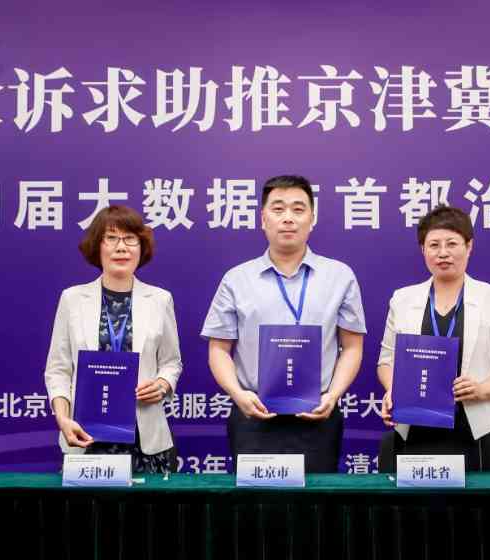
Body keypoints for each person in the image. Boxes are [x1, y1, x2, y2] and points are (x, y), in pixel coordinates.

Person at [201, 175, 366, 472]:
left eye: (298, 209)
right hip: (254, 415)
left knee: (318, 500)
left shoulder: (340, 276)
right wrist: (239, 395)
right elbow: (218, 350)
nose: (288, 218)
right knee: (255, 500)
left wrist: (333, 395)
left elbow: (352, 347)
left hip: (317, 416)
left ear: (312, 219)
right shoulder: (237, 279)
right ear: (263, 219)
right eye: (278, 209)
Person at [377, 205, 490, 471]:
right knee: (414, 498)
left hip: (475, 428)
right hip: (415, 426)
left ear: (469, 247)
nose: (443, 253)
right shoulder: (402, 299)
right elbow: (386, 361)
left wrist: (483, 390)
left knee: (478, 499)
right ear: (423, 250)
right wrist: (394, 390)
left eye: (452, 243)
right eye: (433, 245)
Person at [44, 205, 183, 473]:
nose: (122, 247)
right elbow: (58, 369)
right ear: (97, 246)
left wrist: (162, 384)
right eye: (111, 238)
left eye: (130, 239)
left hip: (146, 440)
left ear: (141, 247)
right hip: (84, 437)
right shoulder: (72, 299)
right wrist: (63, 418)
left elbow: (171, 362)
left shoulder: (160, 299)